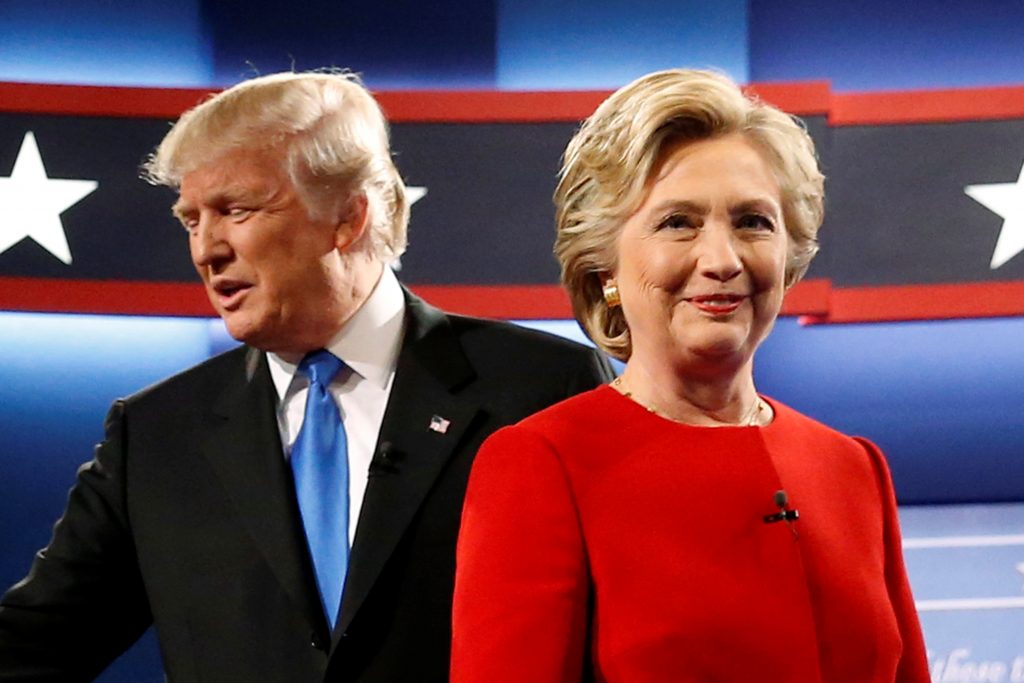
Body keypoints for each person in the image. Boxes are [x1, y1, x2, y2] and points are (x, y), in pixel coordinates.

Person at [0, 71, 612, 682]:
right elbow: (33, 647)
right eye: (191, 220)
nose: (205, 249)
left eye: (235, 210)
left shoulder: (537, 390)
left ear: (347, 218)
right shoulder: (156, 436)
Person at [451, 69, 930, 683]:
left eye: (753, 222)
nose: (723, 259)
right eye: (678, 222)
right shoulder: (543, 465)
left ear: (789, 256)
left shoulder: (852, 470)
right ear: (606, 271)